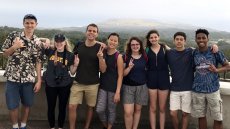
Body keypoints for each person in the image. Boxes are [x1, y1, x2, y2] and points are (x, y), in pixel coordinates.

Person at [1, 14, 48, 129]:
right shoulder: (13, 36)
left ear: (36, 25)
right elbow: (5, 54)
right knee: (12, 106)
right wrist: (14, 47)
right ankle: (15, 126)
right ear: (23, 24)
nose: (29, 25)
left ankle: (23, 125)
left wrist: (38, 80)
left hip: (29, 79)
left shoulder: (38, 42)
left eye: (32, 23)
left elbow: (38, 62)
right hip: (13, 78)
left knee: (27, 104)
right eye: (27, 23)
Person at [68, 23, 107, 129]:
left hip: (93, 84)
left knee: (90, 107)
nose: (91, 32)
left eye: (94, 31)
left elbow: (103, 70)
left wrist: (100, 58)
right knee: (72, 106)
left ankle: (86, 127)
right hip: (78, 82)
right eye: (89, 30)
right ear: (86, 32)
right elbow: (72, 65)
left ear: (97, 34)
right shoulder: (79, 45)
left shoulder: (100, 48)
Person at [191, 29, 230, 129]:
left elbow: (228, 66)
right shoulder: (194, 53)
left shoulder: (215, 52)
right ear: (195, 39)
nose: (201, 40)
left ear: (208, 39)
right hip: (198, 90)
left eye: (203, 38)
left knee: (217, 117)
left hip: (213, 90)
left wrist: (216, 70)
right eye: (198, 38)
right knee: (201, 116)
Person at [43, 34, 79, 129]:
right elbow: (37, 40)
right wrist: (46, 39)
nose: (59, 43)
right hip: (50, 84)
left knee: (62, 108)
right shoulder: (50, 51)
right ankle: (52, 127)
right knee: (51, 107)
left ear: (65, 42)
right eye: (57, 41)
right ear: (54, 42)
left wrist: (75, 65)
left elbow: (72, 72)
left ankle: (60, 127)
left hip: (64, 85)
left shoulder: (70, 55)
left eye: (61, 41)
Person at [95, 33, 123, 129]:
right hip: (103, 86)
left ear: (118, 43)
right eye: (111, 39)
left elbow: (120, 76)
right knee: (99, 109)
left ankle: (109, 127)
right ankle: (105, 125)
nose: (113, 42)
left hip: (114, 88)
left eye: (115, 41)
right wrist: (101, 56)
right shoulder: (104, 52)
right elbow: (103, 70)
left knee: (111, 110)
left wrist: (118, 92)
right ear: (108, 40)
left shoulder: (118, 56)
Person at [167, 32, 194, 129]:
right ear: (174, 41)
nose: (179, 41)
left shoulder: (190, 52)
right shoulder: (169, 53)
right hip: (174, 88)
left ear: (185, 41)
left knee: (185, 114)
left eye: (181, 39)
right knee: (173, 113)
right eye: (177, 39)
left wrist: (214, 47)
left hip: (187, 88)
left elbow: (202, 50)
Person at [145, 30, 170, 129]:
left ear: (158, 37)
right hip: (151, 79)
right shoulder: (146, 50)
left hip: (164, 79)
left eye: (155, 37)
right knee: (153, 108)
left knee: (162, 108)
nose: (153, 39)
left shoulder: (164, 48)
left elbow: (178, 52)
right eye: (151, 37)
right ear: (149, 39)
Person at [123, 37, 149, 129]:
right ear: (130, 46)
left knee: (138, 110)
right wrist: (129, 67)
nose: (135, 46)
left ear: (140, 45)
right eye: (133, 44)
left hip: (142, 87)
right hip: (128, 87)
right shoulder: (125, 56)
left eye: (137, 44)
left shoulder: (145, 56)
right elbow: (122, 74)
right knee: (128, 112)